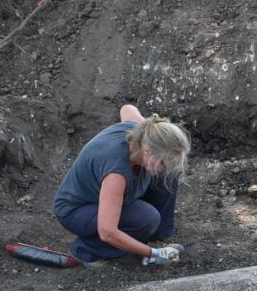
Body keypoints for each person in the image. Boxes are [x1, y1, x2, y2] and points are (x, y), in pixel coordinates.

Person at [54, 103, 191, 266]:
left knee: (168, 175)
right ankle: (86, 250)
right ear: (148, 151)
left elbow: (127, 108)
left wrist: (147, 123)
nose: (165, 166)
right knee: (146, 218)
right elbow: (107, 231)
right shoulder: (116, 173)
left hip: (105, 196)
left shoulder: (145, 132)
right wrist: (154, 254)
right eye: (162, 162)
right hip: (77, 210)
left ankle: (154, 239)